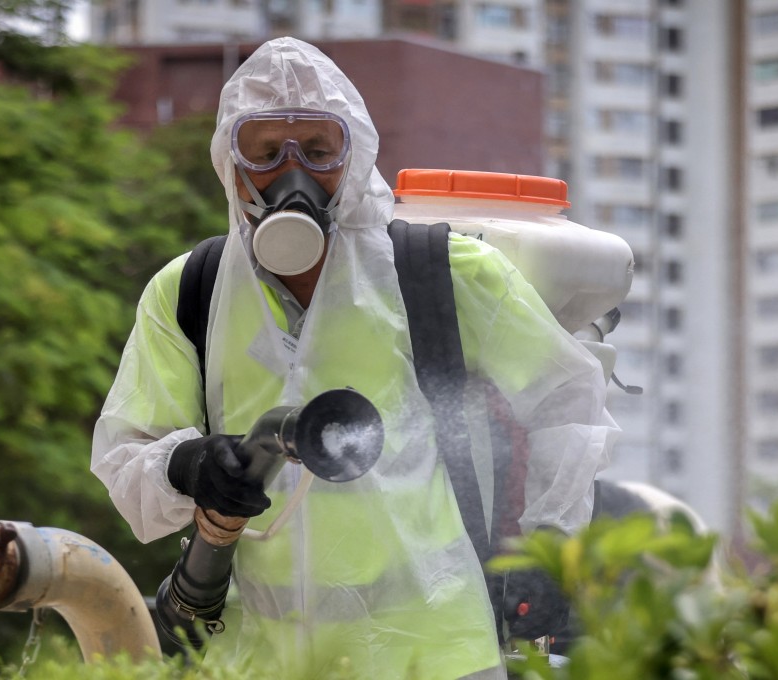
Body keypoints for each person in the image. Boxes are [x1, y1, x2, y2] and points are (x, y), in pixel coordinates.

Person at [91, 37, 619, 680]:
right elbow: (126, 452)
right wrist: (188, 464)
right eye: (264, 152)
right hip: (260, 659)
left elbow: (569, 402)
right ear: (231, 165)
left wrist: (550, 550)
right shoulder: (189, 290)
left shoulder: (441, 273)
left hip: (436, 654)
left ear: (356, 153)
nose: (292, 174)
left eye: (318, 151)